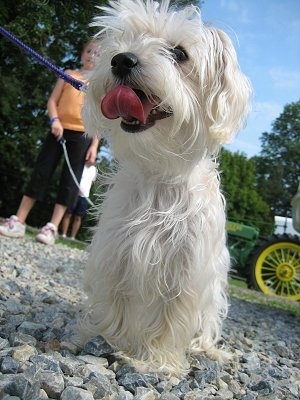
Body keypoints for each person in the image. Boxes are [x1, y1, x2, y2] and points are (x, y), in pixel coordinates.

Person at [0, 41, 100, 245]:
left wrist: (94, 145)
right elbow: (53, 101)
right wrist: (54, 120)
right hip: (58, 130)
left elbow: (98, 117)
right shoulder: (68, 74)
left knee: (69, 183)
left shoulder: (98, 87)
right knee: (41, 171)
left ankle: (52, 227)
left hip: (82, 136)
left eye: (98, 53)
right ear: (82, 54)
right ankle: (19, 220)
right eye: (89, 51)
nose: (92, 56)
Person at [61, 163, 97, 240]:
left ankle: (73, 237)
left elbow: (92, 182)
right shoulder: (80, 166)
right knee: (68, 214)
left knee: (78, 217)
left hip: (85, 197)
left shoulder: (94, 170)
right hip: (73, 195)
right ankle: (64, 234)